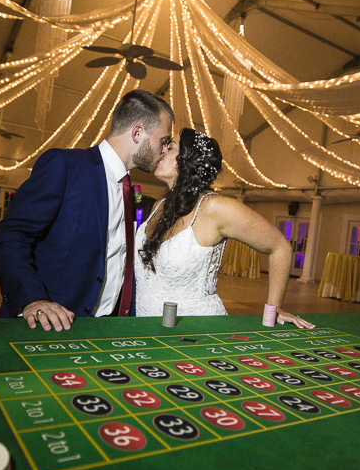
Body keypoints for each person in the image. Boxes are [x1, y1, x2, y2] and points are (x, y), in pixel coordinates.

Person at [0, 89, 173, 331]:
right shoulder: (64, 166)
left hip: (104, 331)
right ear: (137, 133)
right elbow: (9, 238)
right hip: (51, 326)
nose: (166, 150)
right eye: (164, 140)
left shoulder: (127, 189)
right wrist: (32, 300)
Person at [134, 128, 313, 328]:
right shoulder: (160, 204)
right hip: (147, 328)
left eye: (171, 147)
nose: (162, 150)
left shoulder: (215, 207)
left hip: (198, 332)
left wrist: (275, 308)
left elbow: (280, 247)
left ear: (189, 159)